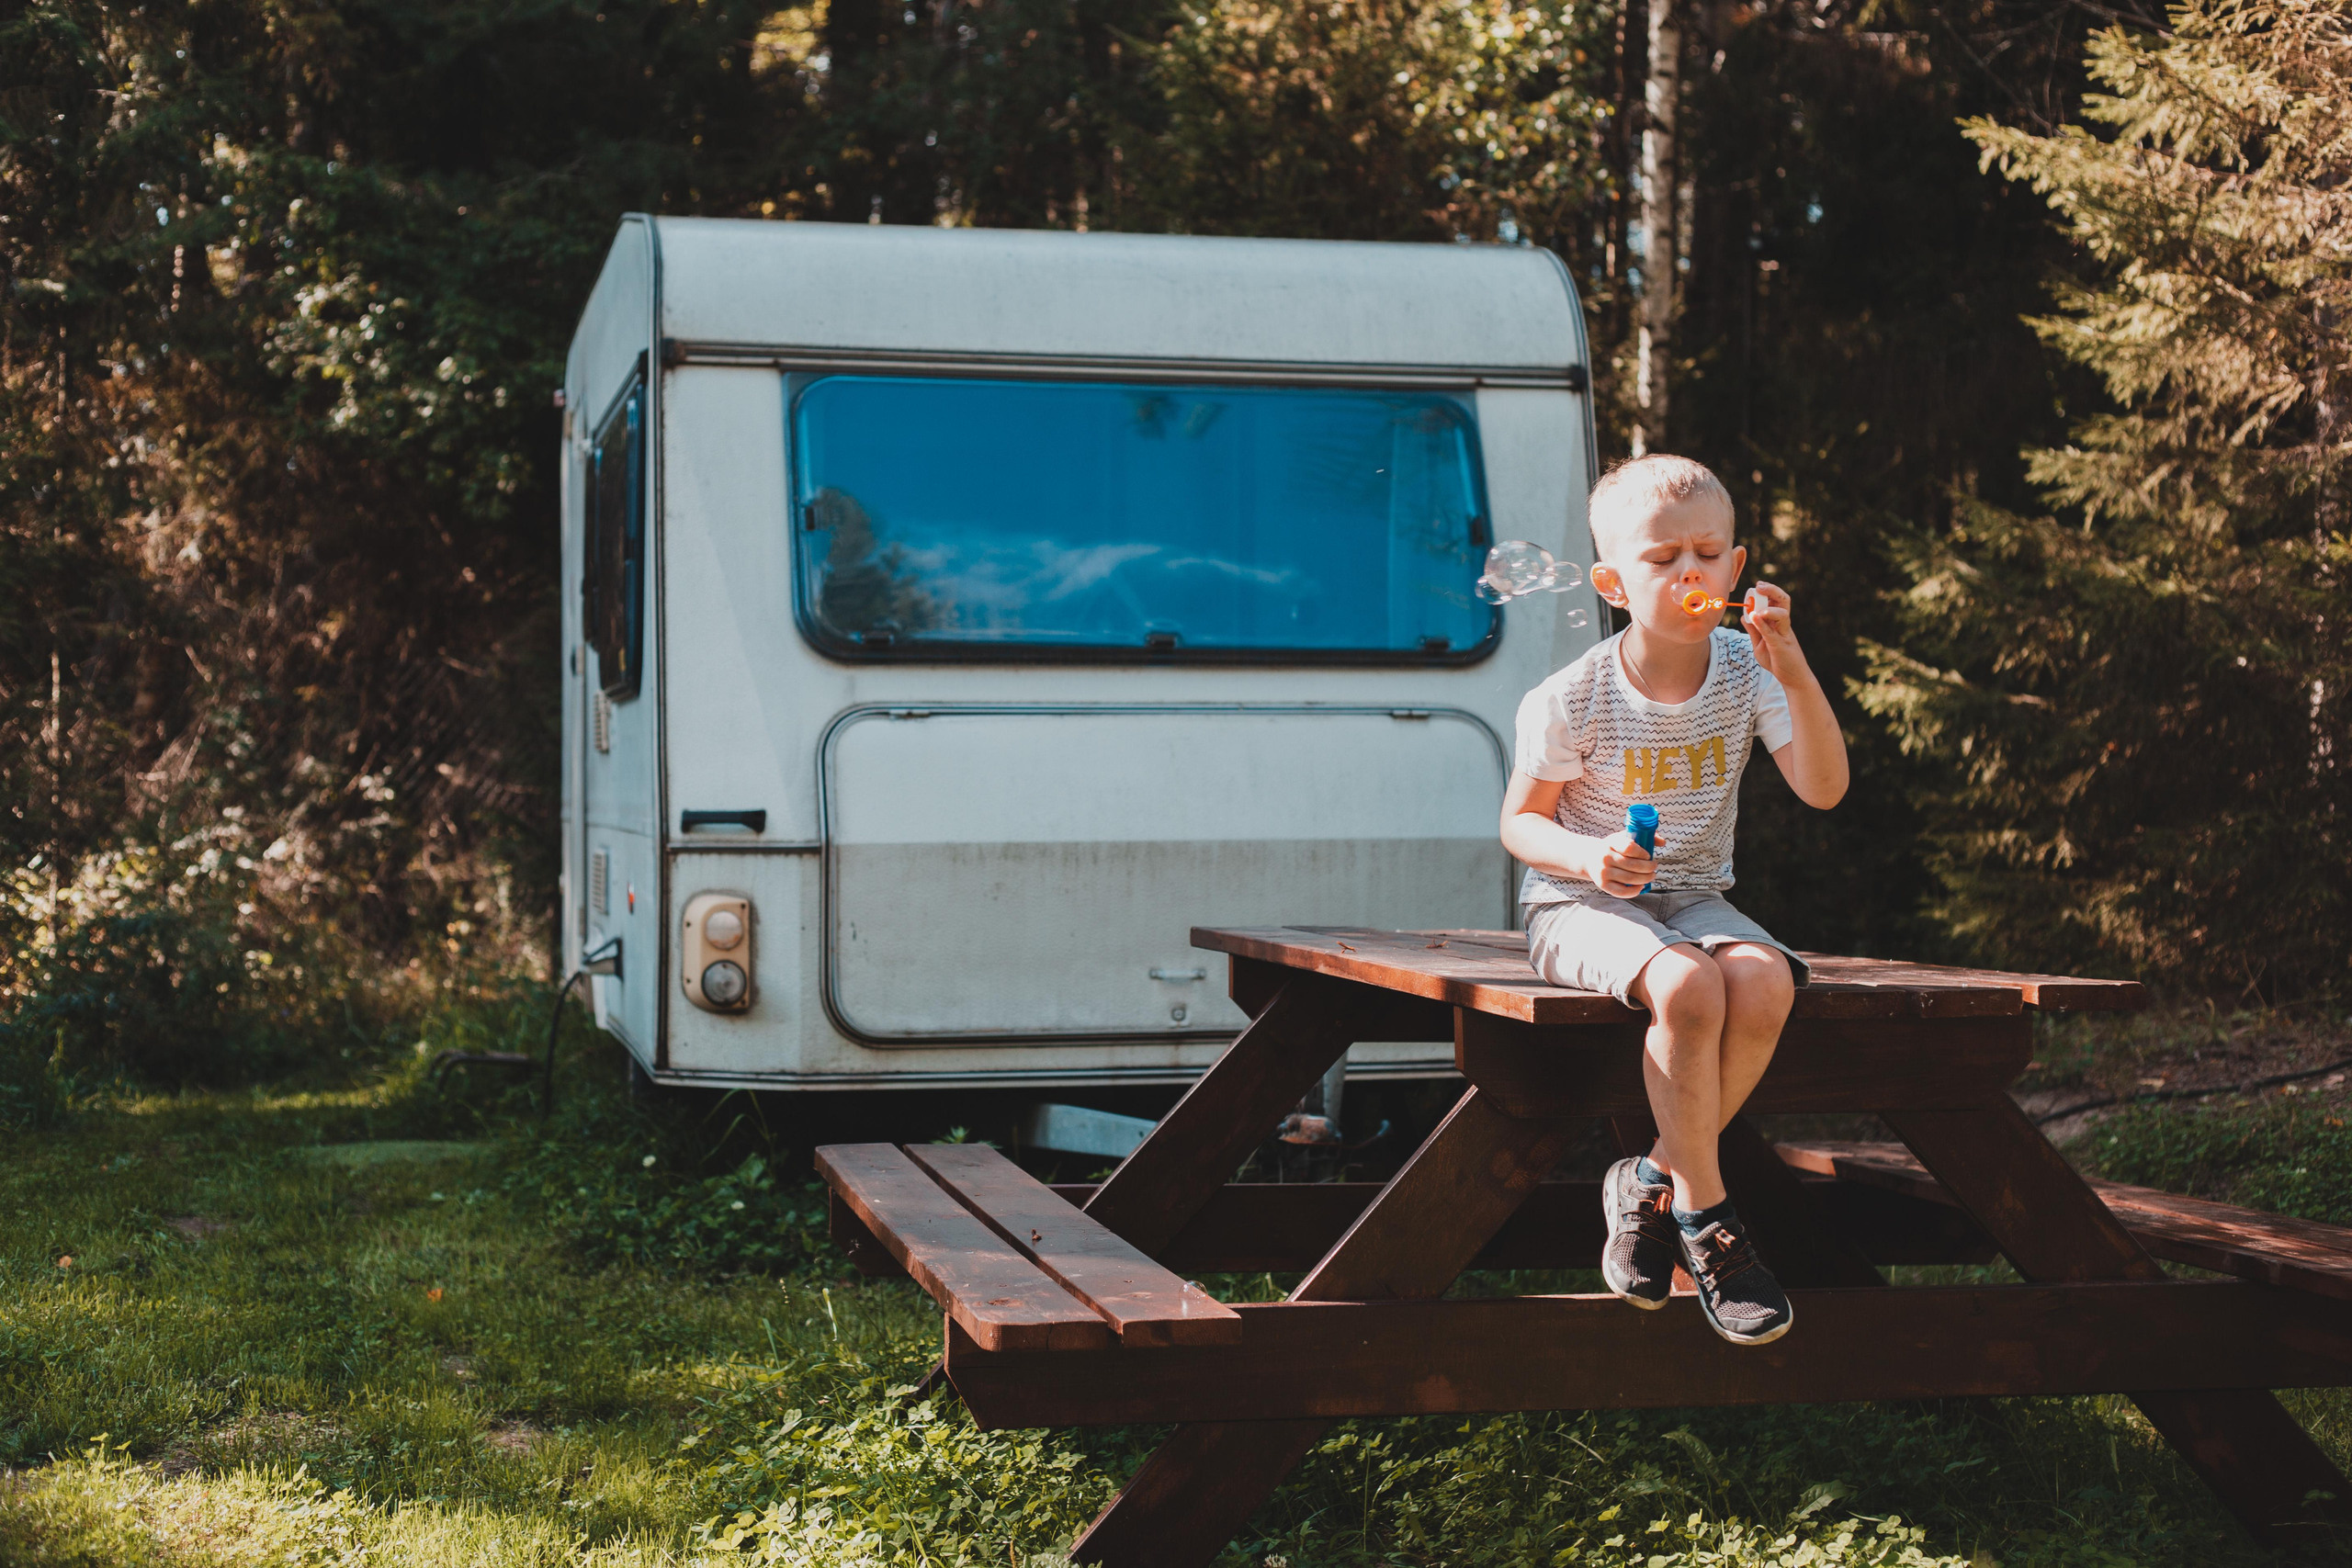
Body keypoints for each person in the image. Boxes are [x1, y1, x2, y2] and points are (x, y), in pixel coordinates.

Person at [1498, 455, 1849, 1346]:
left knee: (1765, 979)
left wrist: (1797, 672)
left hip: (1693, 897)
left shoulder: (1746, 669)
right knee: (1689, 988)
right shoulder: (1573, 696)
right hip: (1575, 902)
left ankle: (1647, 1179)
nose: (1688, 572)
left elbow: (1823, 787)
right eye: (1661, 559)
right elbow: (1519, 826)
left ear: (1735, 573)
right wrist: (1588, 853)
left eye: (1706, 553)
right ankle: (1708, 1220)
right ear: (1614, 583)